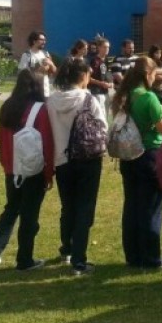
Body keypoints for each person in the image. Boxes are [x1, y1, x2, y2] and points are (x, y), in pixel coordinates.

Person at [0, 69, 55, 271]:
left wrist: (7, 166)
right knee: (30, 216)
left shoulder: (8, 107)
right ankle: (24, 259)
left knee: (11, 211)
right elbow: (47, 142)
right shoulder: (41, 109)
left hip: (12, 169)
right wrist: (49, 173)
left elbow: (3, 142)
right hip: (33, 169)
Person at [46, 57, 108, 274]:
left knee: (68, 205)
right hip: (87, 159)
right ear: (83, 76)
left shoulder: (51, 101)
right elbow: (102, 127)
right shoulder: (88, 99)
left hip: (61, 160)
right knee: (85, 208)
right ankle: (79, 260)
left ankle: (67, 248)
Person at [112, 57, 162, 268]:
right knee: (152, 208)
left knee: (132, 206)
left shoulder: (125, 96)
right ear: (148, 75)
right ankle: (151, 257)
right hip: (149, 155)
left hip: (129, 157)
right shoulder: (149, 98)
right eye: (154, 74)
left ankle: (133, 255)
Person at [19, 30, 56, 96]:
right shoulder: (27, 55)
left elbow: (54, 71)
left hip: (46, 91)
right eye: (41, 40)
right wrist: (38, 69)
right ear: (34, 41)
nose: (44, 42)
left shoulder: (46, 54)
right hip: (33, 91)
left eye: (45, 40)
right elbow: (22, 74)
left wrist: (51, 64)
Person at [87, 37, 114, 114]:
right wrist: (101, 83)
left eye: (108, 47)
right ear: (99, 47)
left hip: (106, 92)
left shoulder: (106, 60)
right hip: (97, 92)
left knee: (106, 115)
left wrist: (111, 82)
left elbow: (108, 74)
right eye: (105, 47)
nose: (107, 49)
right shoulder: (94, 61)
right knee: (99, 116)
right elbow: (88, 78)